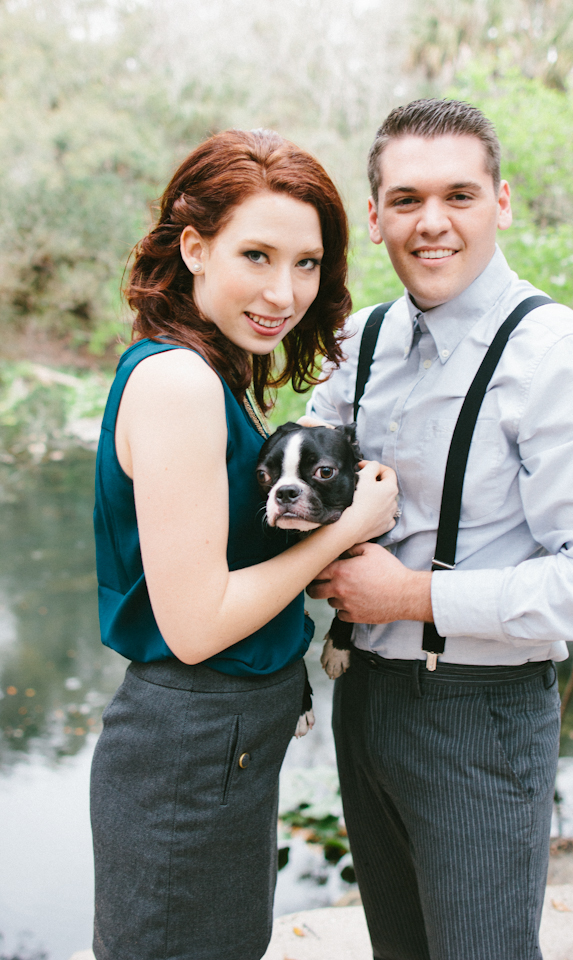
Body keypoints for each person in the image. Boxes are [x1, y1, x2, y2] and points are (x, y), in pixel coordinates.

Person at [306, 99, 573, 960]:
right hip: (364, 699)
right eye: (407, 199)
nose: (434, 223)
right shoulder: (359, 345)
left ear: (504, 200)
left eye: (459, 194)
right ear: (374, 217)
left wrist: (414, 593)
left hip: (481, 716)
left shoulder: (565, 359)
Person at [90, 128, 398, 960]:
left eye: (307, 263)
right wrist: (348, 528)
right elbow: (195, 625)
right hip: (190, 741)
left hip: (218, 739)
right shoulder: (179, 382)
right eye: (256, 255)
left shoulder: (212, 373)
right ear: (193, 247)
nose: (285, 290)